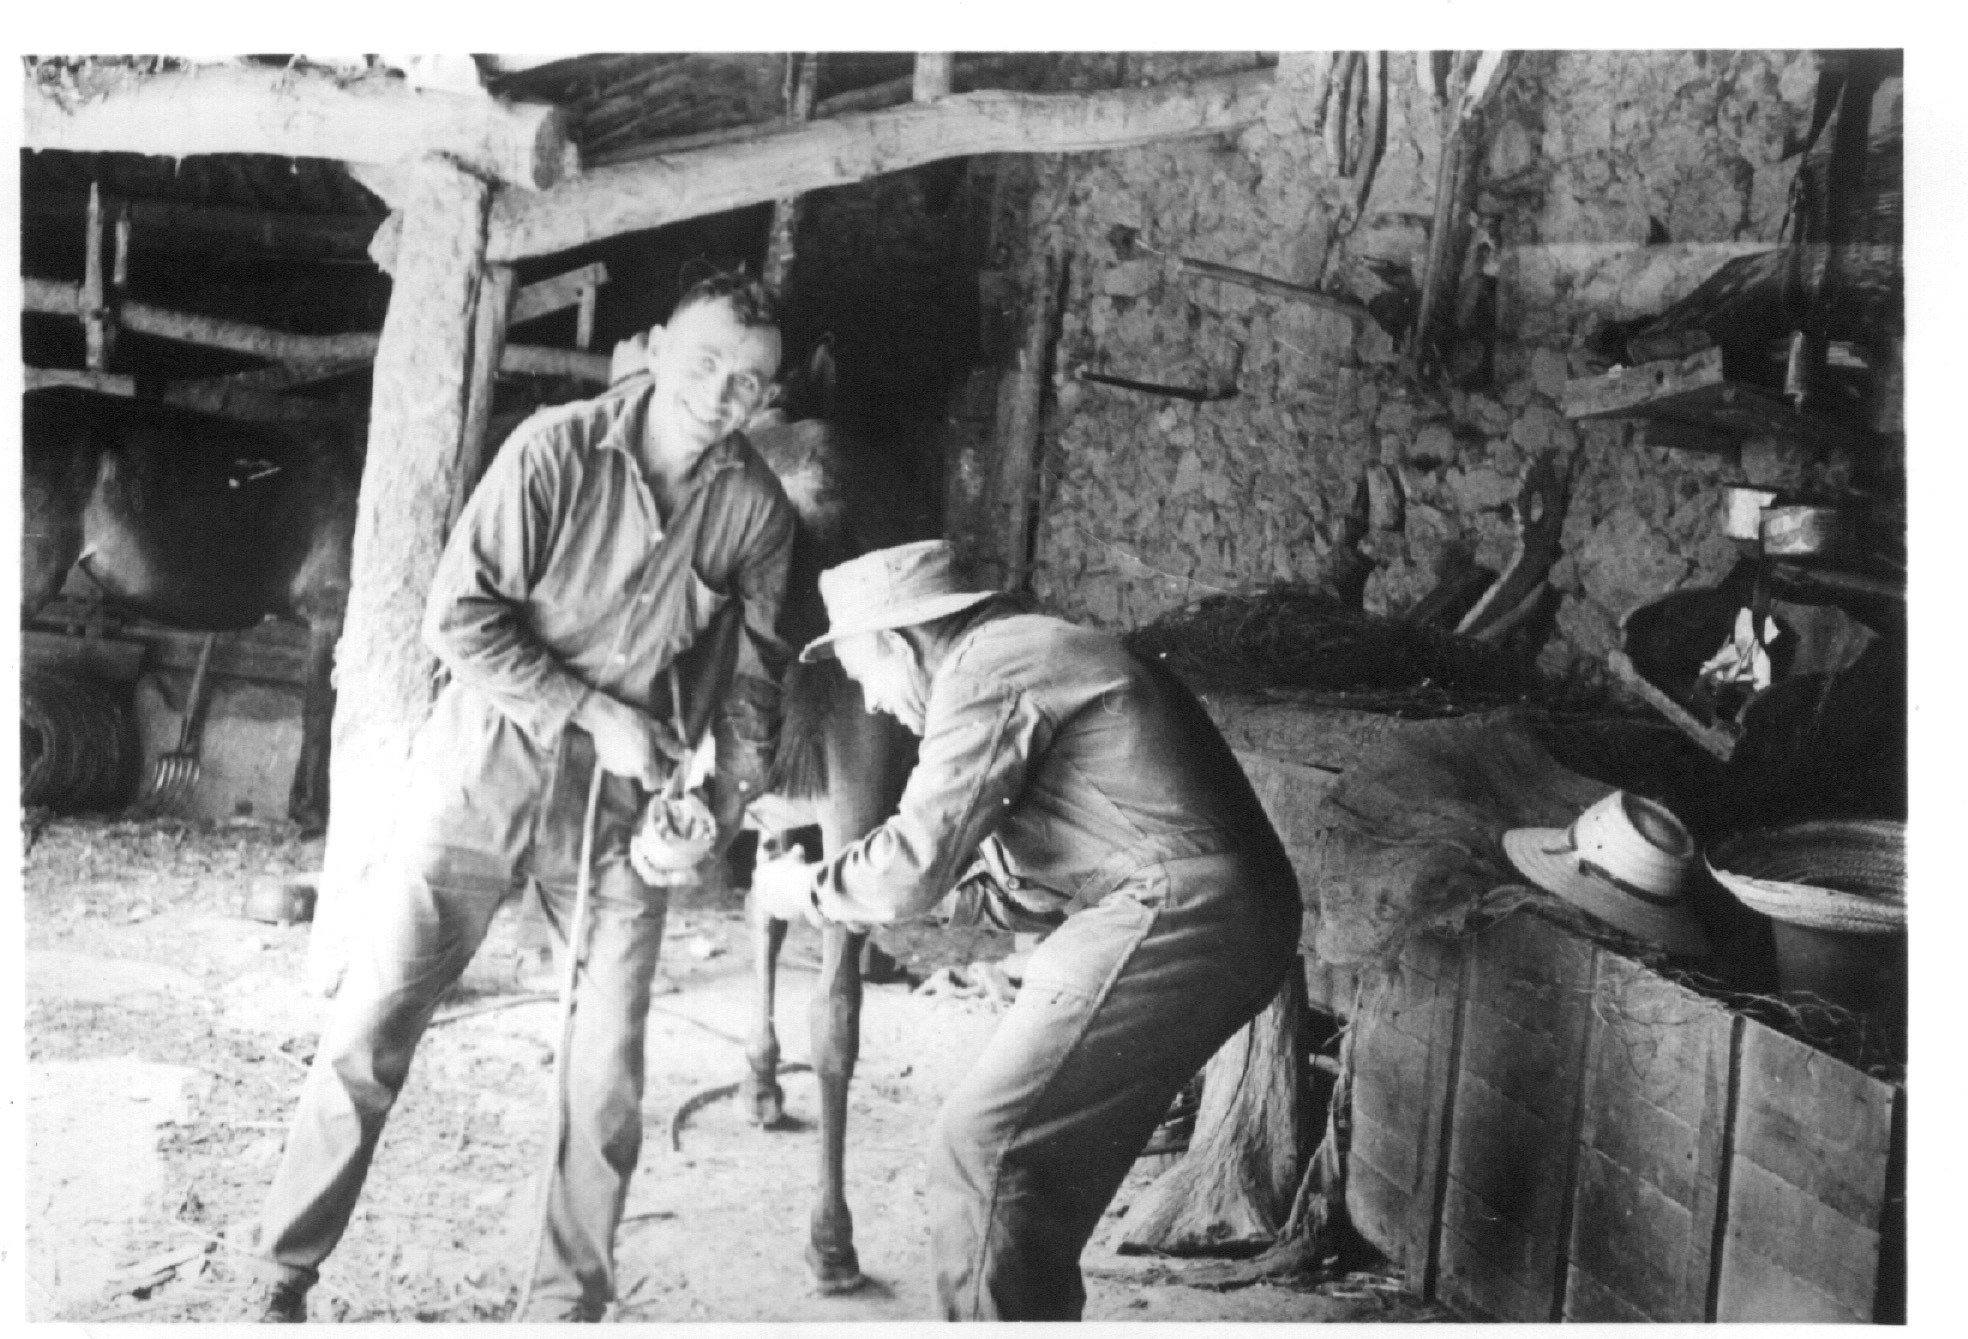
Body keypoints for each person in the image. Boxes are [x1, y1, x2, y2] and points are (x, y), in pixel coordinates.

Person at [249, 274, 798, 1322]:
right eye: (705, 363)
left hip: (620, 814)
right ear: (656, 348)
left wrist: (718, 807)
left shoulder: (756, 511)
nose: (722, 393)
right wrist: (592, 711)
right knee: (372, 1030)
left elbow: (758, 686)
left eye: (749, 381)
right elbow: (457, 618)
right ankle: (282, 1274)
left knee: (605, 1080)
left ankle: (564, 1309)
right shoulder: (555, 451)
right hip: (482, 771)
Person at [751, 539, 1303, 1321]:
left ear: (899, 644)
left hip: (1178, 907)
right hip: (1205, 909)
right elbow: (1007, 889)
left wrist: (803, 889)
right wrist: (881, 891)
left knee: (986, 1150)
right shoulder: (1020, 657)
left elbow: (911, 865)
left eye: (863, 675)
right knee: (1026, 1180)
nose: (871, 704)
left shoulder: (987, 667)